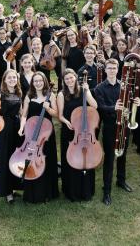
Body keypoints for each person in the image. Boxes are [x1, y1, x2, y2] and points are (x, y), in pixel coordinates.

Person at [94, 59, 138, 205]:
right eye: (109, 68)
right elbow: (100, 107)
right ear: (105, 70)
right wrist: (114, 108)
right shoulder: (99, 88)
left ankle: (121, 180)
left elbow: (129, 104)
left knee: (123, 155)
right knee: (110, 159)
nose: (112, 70)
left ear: (117, 70)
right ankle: (107, 191)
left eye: (114, 68)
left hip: (124, 125)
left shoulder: (124, 86)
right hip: (110, 127)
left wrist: (134, 103)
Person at [57, 68, 98, 201]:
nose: (69, 80)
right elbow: (60, 115)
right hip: (69, 132)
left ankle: (86, 190)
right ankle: (71, 191)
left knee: (86, 158)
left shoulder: (83, 90)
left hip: (84, 131)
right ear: (64, 81)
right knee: (71, 159)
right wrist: (66, 122)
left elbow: (95, 106)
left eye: (71, 77)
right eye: (66, 78)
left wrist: (88, 91)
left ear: (75, 78)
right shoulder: (61, 94)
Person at [18, 72, 59, 203]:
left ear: (44, 81)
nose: (38, 83)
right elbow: (24, 115)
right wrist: (21, 127)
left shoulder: (51, 95)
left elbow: (56, 114)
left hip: (46, 135)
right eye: (35, 81)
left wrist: (48, 109)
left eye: (40, 81)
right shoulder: (29, 96)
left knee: (48, 160)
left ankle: (48, 192)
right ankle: (33, 192)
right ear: (32, 83)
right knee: (33, 161)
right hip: (32, 134)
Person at [0, 69, 22, 203]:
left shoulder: (19, 93)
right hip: (4, 129)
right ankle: (7, 192)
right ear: (5, 80)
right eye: (9, 78)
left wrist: (22, 127)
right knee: (5, 158)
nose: (12, 80)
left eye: (14, 78)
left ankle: (15, 187)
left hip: (17, 128)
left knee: (16, 158)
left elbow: (21, 111)